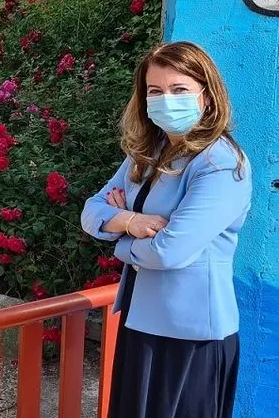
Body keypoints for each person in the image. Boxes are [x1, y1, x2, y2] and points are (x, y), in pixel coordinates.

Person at [81, 42, 251, 418]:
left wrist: (119, 244)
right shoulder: (148, 152)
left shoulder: (219, 163)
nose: (165, 100)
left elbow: (170, 252)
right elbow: (90, 212)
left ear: (206, 97)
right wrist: (131, 222)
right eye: (154, 91)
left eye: (179, 90)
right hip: (141, 319)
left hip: (191, 334)